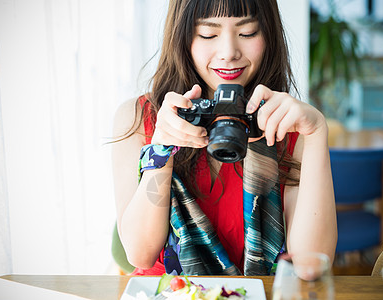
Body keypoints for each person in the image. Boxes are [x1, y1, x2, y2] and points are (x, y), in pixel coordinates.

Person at [112, 0, 337, 276]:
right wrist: (161, 148)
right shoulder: (138, 118)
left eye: (248, 32)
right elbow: (140, 253)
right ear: (182, 38)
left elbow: (310, 266)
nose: (229, 52)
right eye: (208, 34)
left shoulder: (288, 125)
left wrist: (316, 133)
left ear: (269, 34)